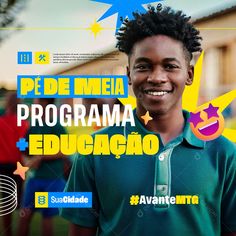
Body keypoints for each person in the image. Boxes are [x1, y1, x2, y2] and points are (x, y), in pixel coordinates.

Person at [60, 6, 236, 236]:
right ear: (129, 75)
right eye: (143, 66)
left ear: (189, 74)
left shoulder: (224, 153)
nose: (156, 77)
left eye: (170, 66)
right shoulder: (92, 152)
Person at [18, 98, 67, 236]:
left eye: (36, 102)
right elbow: (23, 145)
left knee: (47, 219)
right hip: (34, 179)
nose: (33, 105)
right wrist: (26, 158)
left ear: (44, 104)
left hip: (52, 180)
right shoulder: (33, 125)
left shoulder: (56, 125)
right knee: (24, 216)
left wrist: (40, 157)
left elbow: (64, 150)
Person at [0, 92, 28, 236]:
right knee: (22, 203)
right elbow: (23, 147)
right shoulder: (23, 123)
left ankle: (8, 233)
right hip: (18, 166)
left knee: (7, 202)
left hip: (2, 166)